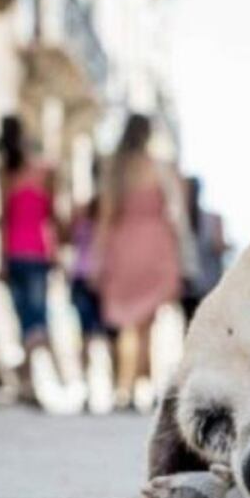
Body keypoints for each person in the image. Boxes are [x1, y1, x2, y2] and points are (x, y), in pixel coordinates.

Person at [95, 114, 181, 411]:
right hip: (155, 246)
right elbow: (175, 215)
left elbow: (105, 218)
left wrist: (98, 259)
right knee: (146, 325)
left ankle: (126, 387)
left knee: (125, 323)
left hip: (124, 247)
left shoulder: (116, 170)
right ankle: (142, 386)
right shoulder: (160, 167)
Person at [0, 115, 67, 410]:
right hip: (37, 254)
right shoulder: (45, 172)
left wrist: (1, 258)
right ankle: (33, 381)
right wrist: (58, 253)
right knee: (36, 320)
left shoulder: (7, 172)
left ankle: (26, 382)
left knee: (28, 321)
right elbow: (54, 218)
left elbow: (3, 219)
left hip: (16, 254)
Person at [69, 194, 115, 414]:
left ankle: (97, 387)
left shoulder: (86, 221)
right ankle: (98, 387)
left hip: (88, 279)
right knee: (102, 337)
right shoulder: (93, 222)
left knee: (92, 336)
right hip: (92, 280)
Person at [181, 177, 226, 324]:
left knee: (192, 323)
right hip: (197, 285)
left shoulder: (181, 222)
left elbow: (219, 247)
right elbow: (219, 246)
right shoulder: (212, 219)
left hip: (198, 285)